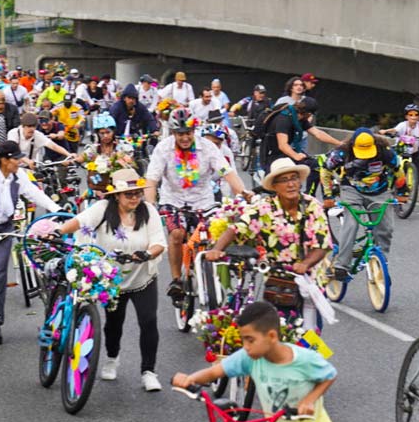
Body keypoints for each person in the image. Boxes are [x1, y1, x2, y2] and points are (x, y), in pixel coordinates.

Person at [171, 301, 338, 422]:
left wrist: (309, 400)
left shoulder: (304, 360)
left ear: (272, 336)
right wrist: (190, 379)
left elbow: (329, 375)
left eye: (250, 340)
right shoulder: (249, 358)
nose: (246, 346)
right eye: (243, 340)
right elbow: (215, 372)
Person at [59, 168, 167, 391]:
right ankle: (112, 357)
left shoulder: (149, 212)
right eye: (129, 194)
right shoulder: (102, 209)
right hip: (112, 279)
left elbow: (159, 242)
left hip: (142, 278)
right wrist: (58, 231)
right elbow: (78, 222)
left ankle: (148, 371)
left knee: (148, 322)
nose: (134, 198)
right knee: (114, 323)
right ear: (116, 195)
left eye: (137, 193)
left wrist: (146, 254)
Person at [208, 158, 334, 316]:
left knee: (309, 335)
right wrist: (216, 250)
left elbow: (322, 244)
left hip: (309, 280)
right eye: (284, 180)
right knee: (275, 329)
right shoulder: (264, 207)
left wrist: (305, 264)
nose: (290, 184)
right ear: (274, 186)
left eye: (294, 178)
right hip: (277, 282)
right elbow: (236, 228)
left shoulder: (312, 206)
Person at [0, 140, 60, 344]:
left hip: (4, 231)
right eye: (16, 158)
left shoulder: (19, 177)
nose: (20, 162)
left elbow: (35, 194)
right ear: (4, 161)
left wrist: (56, 210)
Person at [146, 109, 248, 296]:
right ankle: (176, 280)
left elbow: (228, 173)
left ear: (194, 131)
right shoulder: (163, 148)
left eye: (188, 133)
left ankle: (212, 274)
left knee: (215, 234)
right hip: (173, 200)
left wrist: (244, 194)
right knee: (177, 234)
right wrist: (151, 205)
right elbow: (152, 180)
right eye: (180, 134)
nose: (184, 138)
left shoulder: (208, 148)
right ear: (173, 133)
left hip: (204, 201)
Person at [322, 129, 404, 269]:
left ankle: (380, 261)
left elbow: (398, 170)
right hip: (352, 191)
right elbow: (325, 170)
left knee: (385, 228)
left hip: (380, 192)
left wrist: (402, 192)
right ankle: (342, 265)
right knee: (351, 225)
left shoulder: (384, 152)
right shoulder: (342, 152)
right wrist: (328, 196)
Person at [379, 103, 419, 214]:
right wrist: (386, 131)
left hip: (415, 152)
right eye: (410, 115)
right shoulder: (402, 125)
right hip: (401, 152)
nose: (413, 117)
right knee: (398, 174)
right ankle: (396, 199)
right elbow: (395, 130)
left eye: (416, 115)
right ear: (406, 116)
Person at [261, 97, 343, 171]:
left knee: (314, 165)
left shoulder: (300, 119)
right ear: (309, 114)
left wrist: (339, 143)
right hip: (271, 155)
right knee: (275, 183)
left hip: (284, 154)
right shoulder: (284, 119)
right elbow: (282, 145)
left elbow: (318, 133)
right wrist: (296, 155)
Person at [82, 114, 137, 199]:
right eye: (102, 133)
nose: (105, 136)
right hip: (99, 186)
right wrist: (74, 158)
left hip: (121, 185)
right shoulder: (94, 148)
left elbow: (131, 162)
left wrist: (122, 160)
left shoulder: (123, 146)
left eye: (108, 132)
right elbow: (83, 157)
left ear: (113, 132)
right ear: (97, 134)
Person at [8, 112, 72, 167]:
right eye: (29, 126)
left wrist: (69, 154)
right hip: (14, 167)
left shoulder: (37, 135)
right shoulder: (13, 133)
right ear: (23, 126)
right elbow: (14, 152)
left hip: (29, 168)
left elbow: (53, 146)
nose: (32, 129)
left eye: (34, 126)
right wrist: (28, 161)